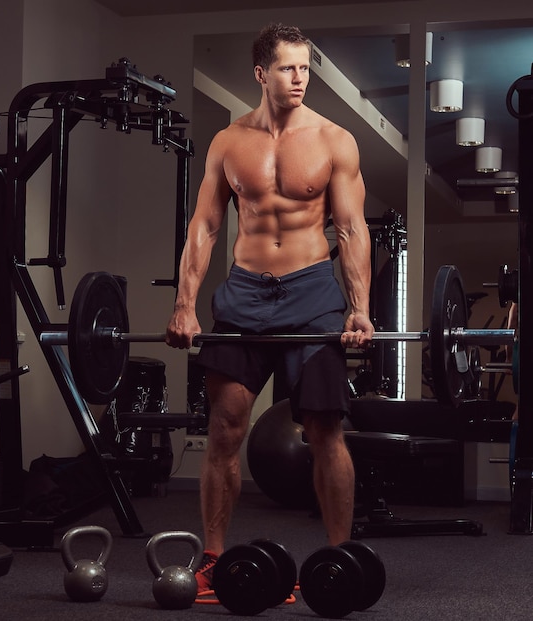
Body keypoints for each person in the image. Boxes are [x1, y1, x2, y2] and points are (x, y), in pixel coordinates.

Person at [165, 22, 374, 593]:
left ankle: (340, 560)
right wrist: (185, 305)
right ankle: (212, 558)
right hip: (246, 295)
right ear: (261, 73)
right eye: (288, 67)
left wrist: (359, 308)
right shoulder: (229, 143)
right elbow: (204, 227)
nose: (300, 77)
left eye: (305, 67)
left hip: (311, 294)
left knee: (325, 429)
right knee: (225, 428)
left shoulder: (334, 140)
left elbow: (353, 230)